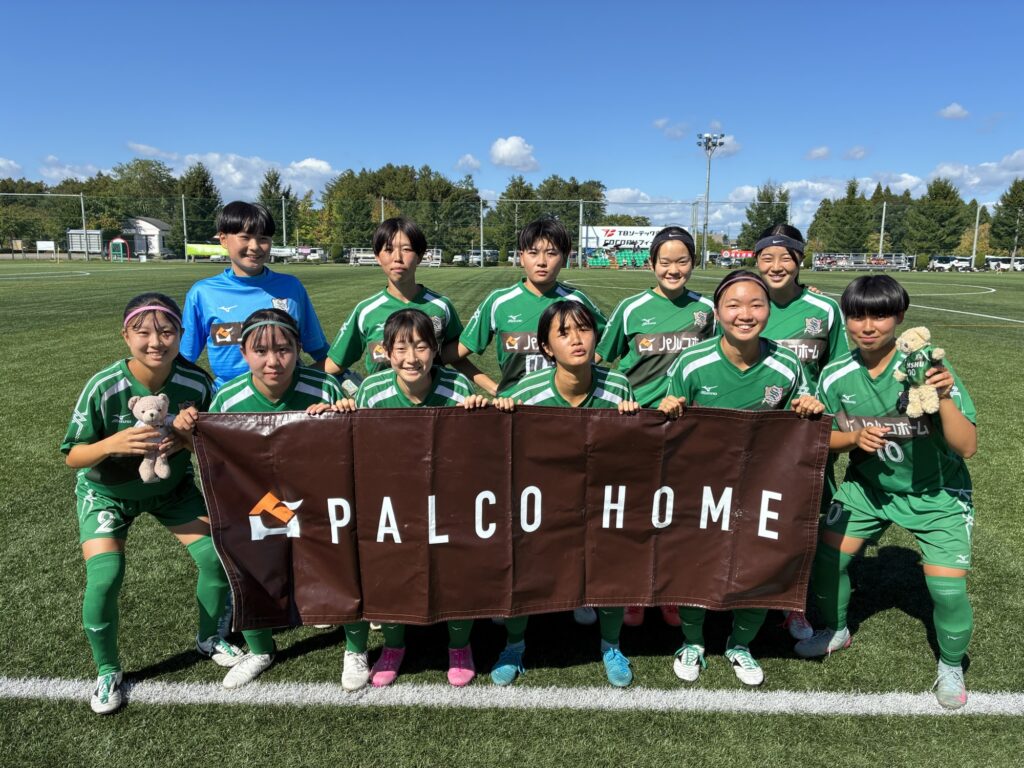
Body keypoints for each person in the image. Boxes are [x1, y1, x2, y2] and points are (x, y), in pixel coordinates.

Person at [794, 276, 977, 710]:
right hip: (868, 487)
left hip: (936, 493)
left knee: (947, 590)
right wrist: (853, 439)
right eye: (857, 316)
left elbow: (967, 446)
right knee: (828, 559)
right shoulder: (836, 374)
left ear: (900, 317)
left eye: (879, 315)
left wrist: (942, 397)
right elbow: (824, 438)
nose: (867, 326)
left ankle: (951, 665)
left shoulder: (924, 368)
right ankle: (836, 630)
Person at [61, 293, 244, 715]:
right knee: (105, 577)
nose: (155, 341)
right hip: (107, 494)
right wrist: (113, 443)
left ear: (181, 334)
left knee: (216, 557)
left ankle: (210, 638)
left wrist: (185, 438)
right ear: (126, 336)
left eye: (166, 331)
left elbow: (214, 443)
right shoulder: (104, 386)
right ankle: (107, 670)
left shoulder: (196, 383)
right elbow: (73, 455)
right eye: (142, 332)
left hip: (172, 489)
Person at [175, 308, 370, 690]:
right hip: (260, 503)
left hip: (320, 498)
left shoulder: (324, 387)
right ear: (243, 353)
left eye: (283, 349)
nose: (273, 361)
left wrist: (344, 414)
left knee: (342, 567)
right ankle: (261, 649)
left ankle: (356, 647)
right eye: (260, 351)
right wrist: (186, 431)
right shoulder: (228, 397)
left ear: (298, 349)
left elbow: (354, 446)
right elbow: (213, 456)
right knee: (250, 570)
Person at [659, 270, 825, 686]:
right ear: (717, 313)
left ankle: (741, 645)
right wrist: (669, 408)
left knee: (758, 564)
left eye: (756, 304)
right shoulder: (692, 363)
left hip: (763, 486)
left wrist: (808, 408)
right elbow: (670, 424)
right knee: (696, 565)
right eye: (733, 305)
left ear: (769, 311)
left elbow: (803, 416)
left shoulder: (787, 364)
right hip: (703, 486)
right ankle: (693, 642)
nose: (745, 314)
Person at [490, 301, 657, 689]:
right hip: (544, 503)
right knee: (521, 565)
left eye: (583, 329)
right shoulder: (527, 391)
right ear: (546, 347)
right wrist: (502, 412)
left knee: (614, 564)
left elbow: (632, 453)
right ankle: (514, 645)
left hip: (599, 501)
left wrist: (632, 421)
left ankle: (611, 644)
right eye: (563, 333)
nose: (576, 339)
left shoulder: (617, 386)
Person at [354, 308, 490, 687]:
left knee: (455, 572)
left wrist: (477, 412)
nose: (411, 358)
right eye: (400, 348)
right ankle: (394, 646)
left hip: (447, 500)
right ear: (386, 353)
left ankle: (459, 646)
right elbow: (356, 446)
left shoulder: (457, 386)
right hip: (392, 502)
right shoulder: (372, 390)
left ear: (435, 349)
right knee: (389, 573)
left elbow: (476, 447)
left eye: (421, 347)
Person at [596, 226, 714, 628]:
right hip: (638, 423)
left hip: (687, 426)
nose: (673, 269)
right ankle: (633, 591)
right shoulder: (630, 308)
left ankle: (670, 591)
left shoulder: (708, 309)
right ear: (651, 264)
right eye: (665, 262)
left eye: (682, 261)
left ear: (693, 264)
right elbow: (600, 359)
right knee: (635, 511)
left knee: (678, 513)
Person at [754, 223, 848, 641]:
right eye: (767, 257)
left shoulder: (824, 309)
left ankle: (793, 602)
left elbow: (839, 369)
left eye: (785, 257)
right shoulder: (745, 302)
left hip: (805, 432)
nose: (776, 266)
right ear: (756, 260)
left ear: (799, 260)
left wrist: (829, 417)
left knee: (802, 517)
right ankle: (747, 592)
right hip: (754, 430)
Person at [180, 201, 330, 389]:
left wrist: (344, 377)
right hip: (230, 402)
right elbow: (183, 360)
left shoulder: (291, 287)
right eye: (245, 237)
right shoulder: (203, 293)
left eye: (263, 238)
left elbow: (318, 349)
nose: (255, 246)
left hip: (287, 399)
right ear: (223, 239)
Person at [325, 217, 487, 390]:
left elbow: (455, 356)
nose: (398, 258)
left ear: (420, 256)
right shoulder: (365, 311)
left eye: (407, 249)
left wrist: (493, 388)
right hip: (382, 403)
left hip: (433, 403)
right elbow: (335, 364)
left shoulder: (441, 306)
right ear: (377, 257)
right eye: (388, 249)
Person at [452, 218, 608, 398]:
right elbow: (457, 353)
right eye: (533, 253)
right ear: (521, 257)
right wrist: (493, 388)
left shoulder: (576, 300)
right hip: (516, 406)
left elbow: (609, 340)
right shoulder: (499, 301)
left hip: (564, 406)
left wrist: (586, 367)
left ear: (564, 258)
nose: (542, 262)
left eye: (551, 253)